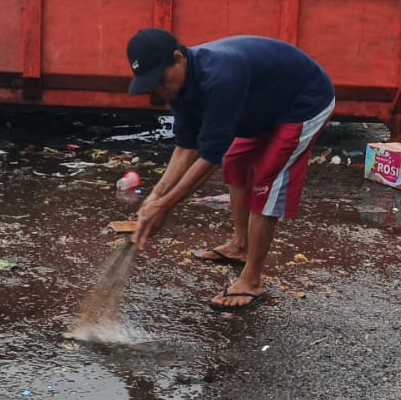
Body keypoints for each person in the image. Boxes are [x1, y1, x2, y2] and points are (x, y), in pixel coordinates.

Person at [125, 29, 336, 311]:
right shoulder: (177, 86)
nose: (160, 90)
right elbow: (188, 145)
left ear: (178, 57)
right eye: (153, 85)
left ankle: (252, 280)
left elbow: (210, 157)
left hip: (303, 102)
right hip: (263, 106)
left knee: (266, 180)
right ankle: (240, 245)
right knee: (236, 161)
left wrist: (164, 206)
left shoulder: (219, 76)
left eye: (161, 80)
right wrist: (155, 196)